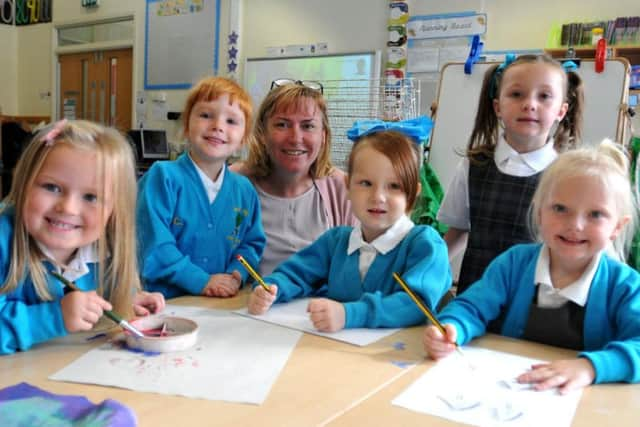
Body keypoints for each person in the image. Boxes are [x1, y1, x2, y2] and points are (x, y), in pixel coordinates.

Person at [423, 140, 640, 393]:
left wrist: (590, 367)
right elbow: (471, 307)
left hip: (580, 405)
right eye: (560, 209)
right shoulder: (513, 263)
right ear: (539, 213)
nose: (576, 225)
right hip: (509, 392)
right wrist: (452, 329)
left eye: (595, 214)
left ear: (617, 226)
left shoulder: (625, 286)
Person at [248, 130, 451, 332]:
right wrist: (271, 288)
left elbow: (416, 304)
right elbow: (296, 274)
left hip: (395, 358)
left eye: (394, 186)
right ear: (347, 187)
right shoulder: (336, 241)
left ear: (413, 194)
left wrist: (349, 314)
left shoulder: (425, 245)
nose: (378, 197)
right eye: (365, 183)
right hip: (334, 353)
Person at [0, 120, 165, 355]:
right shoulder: (4, 241)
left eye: (90, 197)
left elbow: (95, 296)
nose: (68, 208)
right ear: (24, 183)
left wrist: (123, 299)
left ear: (113, 212)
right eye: (52, 187)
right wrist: (55, 317)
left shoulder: (103, 249)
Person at [438, 54, 584, 295]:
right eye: (517, 94)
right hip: (474, 301)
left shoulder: (568, 175)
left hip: (534, 305)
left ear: (561, 110)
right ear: (498, 107)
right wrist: (428, 269)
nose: (530, 104)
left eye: (544, 96)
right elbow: (458, 230)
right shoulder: (473, 165)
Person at [137, 77, 265, 299]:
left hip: (219, 304)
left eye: (231, 121)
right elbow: (153, 244)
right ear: (187, 126)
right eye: (206, 116)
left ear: (244, 138)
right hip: (161, 301)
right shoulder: (163, 177)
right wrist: (202, 281)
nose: (218, 126)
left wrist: (237, 274)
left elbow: (251, 244)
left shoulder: (244, 191)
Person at [231, 81, 356, 276]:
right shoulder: (234, 182)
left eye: (308, 126)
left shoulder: (344, 188)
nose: (295, 137)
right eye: (282, 124)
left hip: (319, 304)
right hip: (244, 302)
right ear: (263, 133)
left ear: (323, 136)